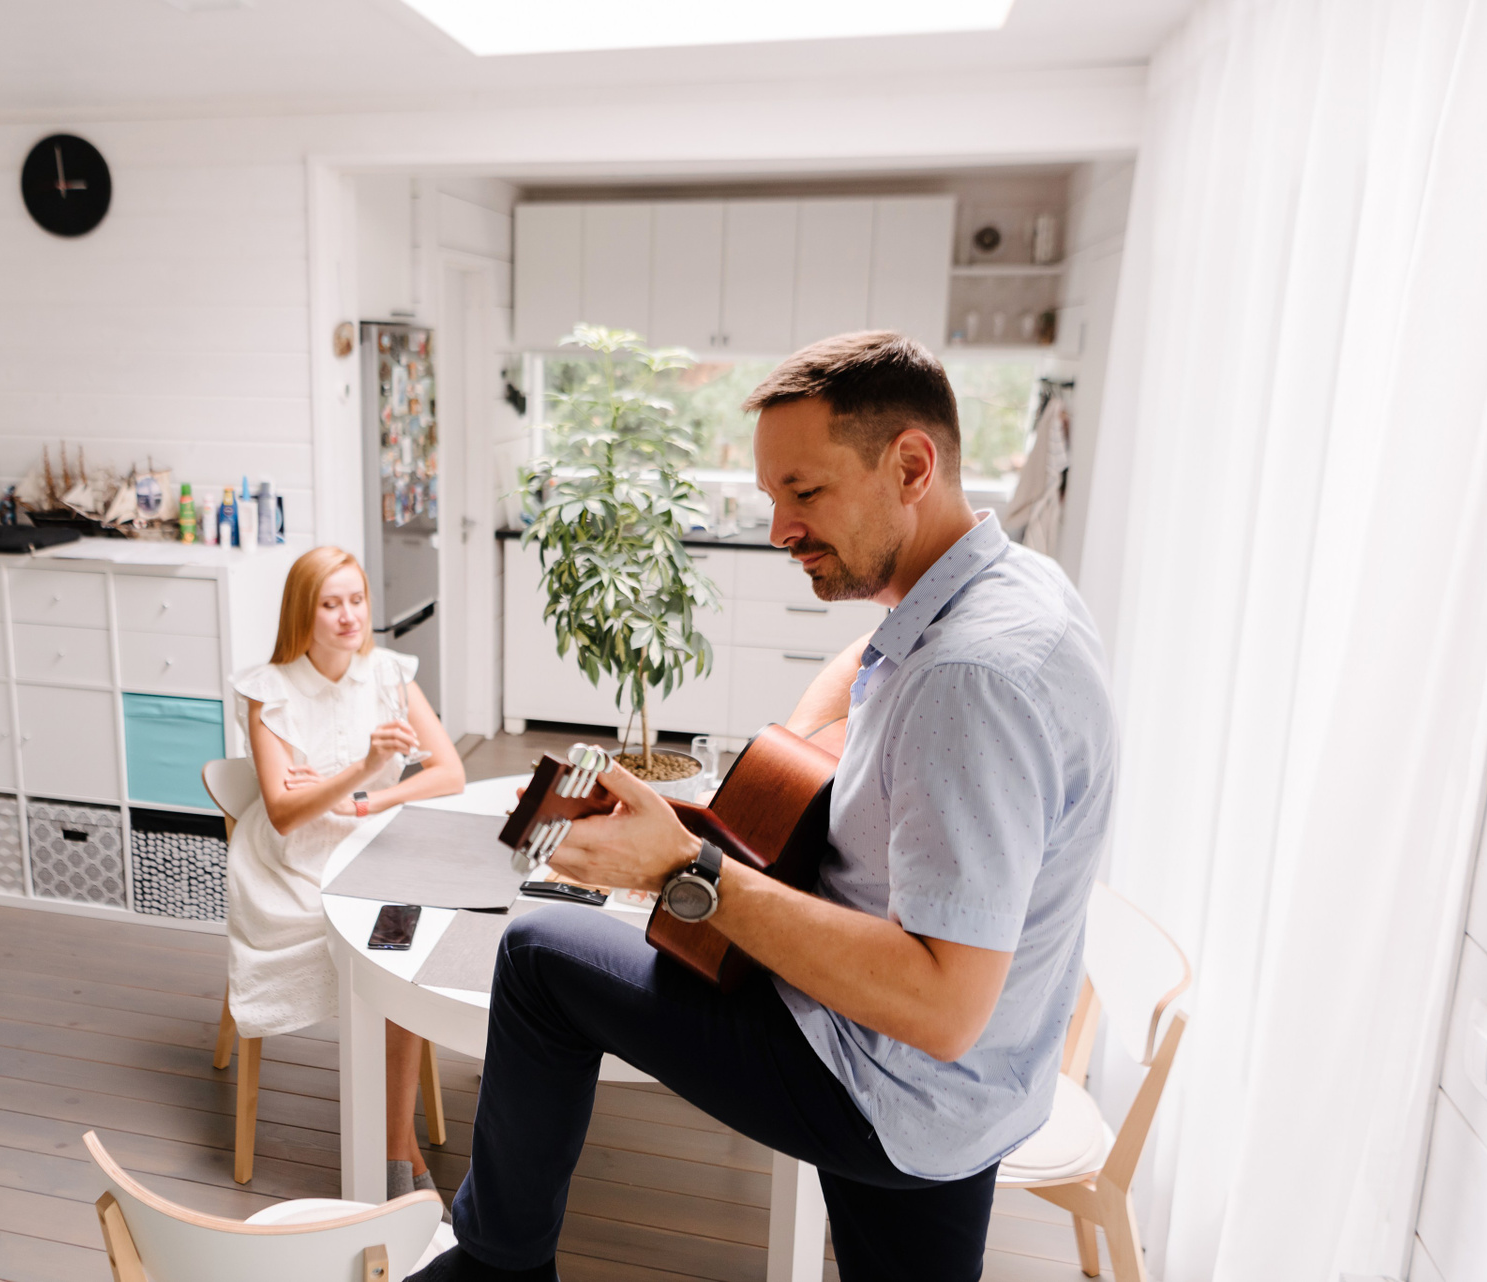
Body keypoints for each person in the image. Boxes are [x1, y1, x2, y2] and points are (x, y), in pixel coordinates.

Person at [410, 332, 1117, 1281]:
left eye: (805, 492)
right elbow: (867, 659)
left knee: (538, 955)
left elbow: (942, 1007)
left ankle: (495, 1268)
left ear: (912, 466)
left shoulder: (969, 680)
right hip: (977, 1092)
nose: (780, 528)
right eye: (771, 496)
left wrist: (684, 867)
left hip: (881, 1075)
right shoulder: (1011, 584)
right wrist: (775, 793)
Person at [226, 545, 465, 1200]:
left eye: (356, 600)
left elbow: (449, 772)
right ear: (302, 614)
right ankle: (400, 1156)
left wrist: (364, 798)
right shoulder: (268, 691)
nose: (349, 617)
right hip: (294, 868)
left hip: (371, 847)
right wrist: (363, 767)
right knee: (394, 948)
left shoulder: (388, 675)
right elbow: (284, 815)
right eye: (330, 604)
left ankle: (392, 1151)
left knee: (403, 945)